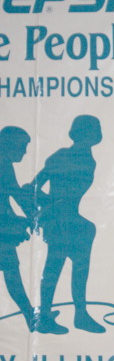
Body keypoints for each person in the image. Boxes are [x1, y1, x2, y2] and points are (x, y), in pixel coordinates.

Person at [26, 115, 105, 335]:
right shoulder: (65, 157)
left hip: (70, 221)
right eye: (87, 132)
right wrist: (48, 207)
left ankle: (78, 314)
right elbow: (33, 187)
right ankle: (48, 316)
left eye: (92, 132)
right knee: (55, 266)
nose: (89, 137)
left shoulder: (86, 160)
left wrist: (49, 207)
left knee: (75, 267)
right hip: (61, 221)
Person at [0, 126, 34, 331]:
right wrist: (22, 219)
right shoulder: (3, 165)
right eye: (22, 146)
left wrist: (29, 217)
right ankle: (30, 314)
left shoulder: (5, 165)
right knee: (12, 271)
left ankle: (30, 314)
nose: (24, 152)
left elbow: (13, 195)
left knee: (11, 270)